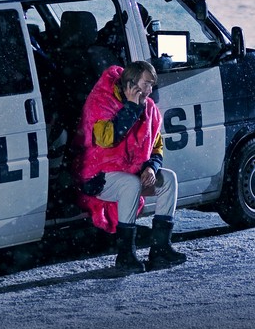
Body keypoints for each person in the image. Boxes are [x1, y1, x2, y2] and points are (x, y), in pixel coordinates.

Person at [73, 61, 187, 273]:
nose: (150, 90)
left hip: (131, 174)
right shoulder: (101, 102)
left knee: (168, 180)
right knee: (130, 184)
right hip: (98, 176)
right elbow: (106, 139)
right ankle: (125, 255)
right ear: (132, 83)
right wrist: (131, 109)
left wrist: (151, 167)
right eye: (146, 84)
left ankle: (160, 249)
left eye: (152, 85)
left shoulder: (150, 109)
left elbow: (157, 144)